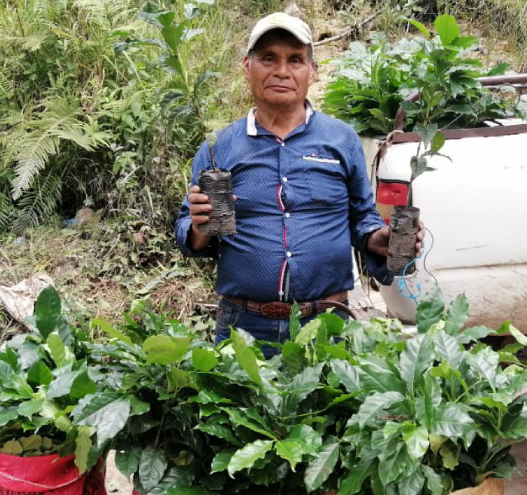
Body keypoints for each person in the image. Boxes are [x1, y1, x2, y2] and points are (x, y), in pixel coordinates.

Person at [175, 12, 423, 355]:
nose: (282, 71)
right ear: (247, 67)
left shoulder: (341, 140)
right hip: (243, 327)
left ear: (312, 72)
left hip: (327, 324)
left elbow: (361, 217)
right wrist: (199, 228)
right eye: (268, 58)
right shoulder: (219, 148)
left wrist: (379, 239)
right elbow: (188, 232)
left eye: (295, 60)